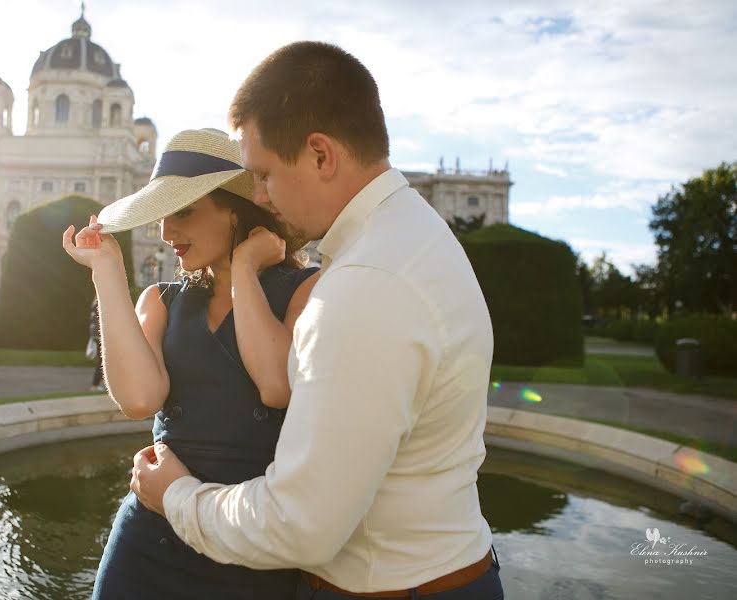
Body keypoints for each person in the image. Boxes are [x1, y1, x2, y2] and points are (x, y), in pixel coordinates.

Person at [131, 42, 505, 599]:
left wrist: (176, 495)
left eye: (263, 174)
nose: (257, 195)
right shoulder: (412, 235)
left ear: (321, 155)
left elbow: (298, 525)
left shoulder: (367, 283)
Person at [62, 127, 320, 599]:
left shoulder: (305, 290)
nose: (165, 233)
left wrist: (243, 269)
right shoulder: (161, 300)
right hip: (150, 538)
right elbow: (139, 400)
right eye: (161, 215)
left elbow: (277, 387)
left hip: (249, 536)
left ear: (235, 209)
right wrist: (106, 272)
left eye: (182, 211)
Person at [88, 296, 105, 391]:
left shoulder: (94, 304)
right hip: (100, 336)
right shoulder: (100, 303)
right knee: (102, 361)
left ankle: (101, 381)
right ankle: (95, 385)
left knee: (102, 360)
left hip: (96, 335)